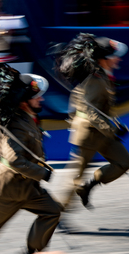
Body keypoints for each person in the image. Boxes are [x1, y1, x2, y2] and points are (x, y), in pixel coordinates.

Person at [55, 33, 129, 209]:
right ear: (103, 59)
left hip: (101, 130)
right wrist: (112, 128)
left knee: (124, 163)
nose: (118, 60)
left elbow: (98, 106)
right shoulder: (95, 79)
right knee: (76, 174)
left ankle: (88, 187)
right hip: (89, 132)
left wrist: (115, 123)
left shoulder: (102, 76)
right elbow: (90, 109)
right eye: (114, 57)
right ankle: (58, 213)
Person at [0, 64, 62, 254]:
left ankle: (33, 251)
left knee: (52, 211)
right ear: (25, 102)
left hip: (28, 187)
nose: (41, 99)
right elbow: (13, 160)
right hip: (9, 189)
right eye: (37, 97)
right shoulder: (15, 124)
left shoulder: (29, 117)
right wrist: (41, 172)